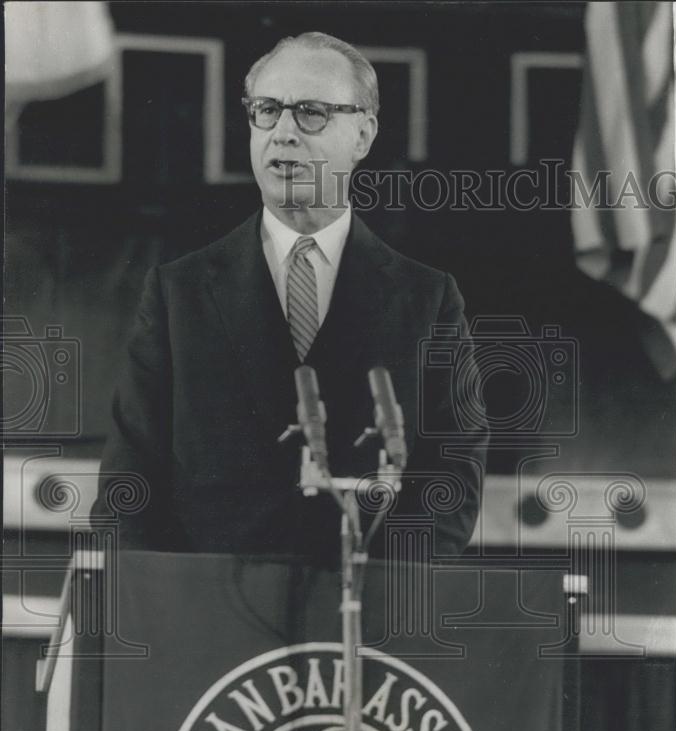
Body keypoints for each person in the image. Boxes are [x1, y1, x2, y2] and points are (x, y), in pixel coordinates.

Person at [91, 32, 487, 562]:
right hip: (211, 622)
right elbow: (129, 483)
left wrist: (386, 603)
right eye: (267, 110)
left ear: (363, 134)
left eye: (311, 113)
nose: (283, 134)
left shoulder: (428, 300)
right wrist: (166, 613)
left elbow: (452, 478)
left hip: (364, 618)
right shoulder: (177, 293)